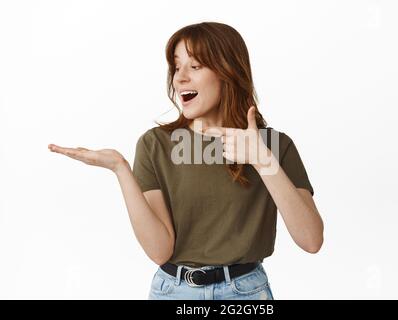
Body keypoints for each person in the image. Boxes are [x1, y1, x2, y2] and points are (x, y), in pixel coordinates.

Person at [48, 21, 324, 300]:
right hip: (173, 293)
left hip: (246, 294)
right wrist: (121, 168)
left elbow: (311, 240)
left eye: (194, 66)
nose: (179, 78)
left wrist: (262, 159)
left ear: (228, 72)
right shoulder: (155, 144)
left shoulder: (275, 146)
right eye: (176, 67)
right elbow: (159, 250)